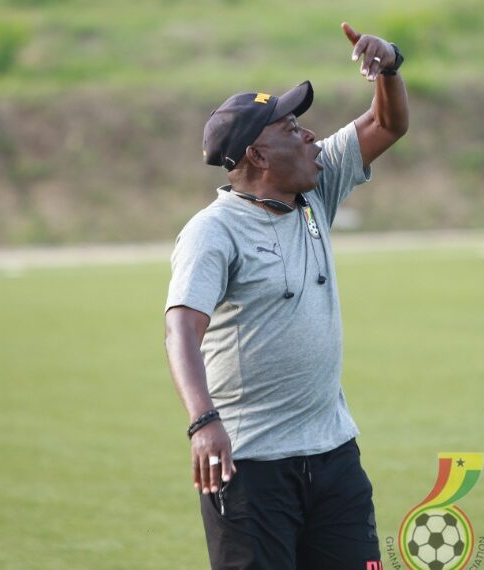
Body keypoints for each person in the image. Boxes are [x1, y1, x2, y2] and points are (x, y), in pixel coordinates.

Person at [163, 22, 408, 570]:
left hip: (333, 457)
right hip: (250, 467)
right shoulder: (213, 231)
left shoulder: (316, 190)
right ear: (256, 155)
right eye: (292, 127)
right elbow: (181, 327)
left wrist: (389, 65)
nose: (310, 136)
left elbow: (387, 122)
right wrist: (203, 423)